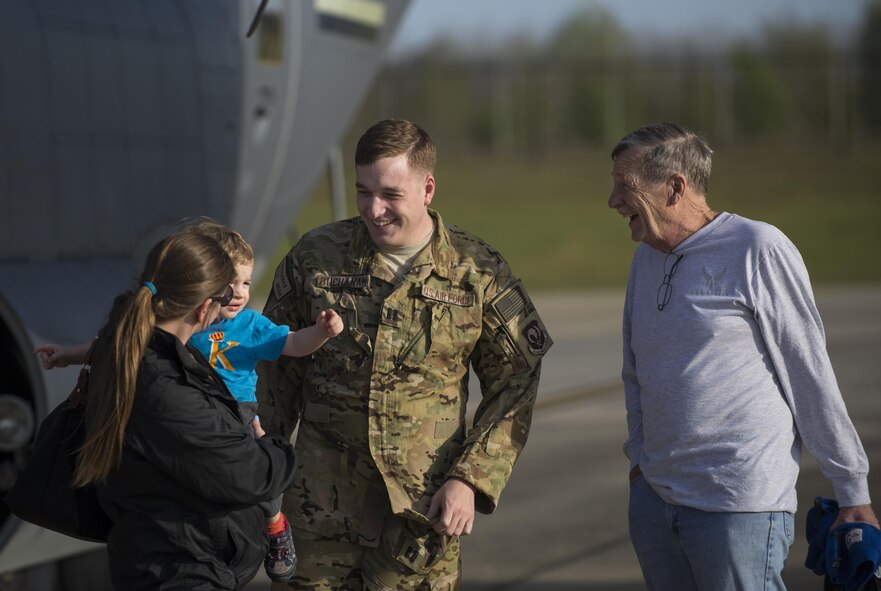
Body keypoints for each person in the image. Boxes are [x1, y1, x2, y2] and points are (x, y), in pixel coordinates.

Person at [257, 118, 553, 590]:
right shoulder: (316, 257)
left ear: (427, 187)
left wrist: (471, 480)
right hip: (318, 516)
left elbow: (517, 379)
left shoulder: (476, 271)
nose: (374, 210)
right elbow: (273, 370)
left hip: (419, 523)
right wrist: (260, 476)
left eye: (390, 194)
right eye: (363, 192)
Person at [607, 121, 880, 590]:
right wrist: (640, 463)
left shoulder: (758, 249)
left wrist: (851, 488)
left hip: (736, 509)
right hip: (655, 503)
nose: (613, 202)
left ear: (675, 187)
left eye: (624, 187)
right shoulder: (645, 258)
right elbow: (635, 371)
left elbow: (809, 373)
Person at [36, 220, 345, 583]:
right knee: (254, 482)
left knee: (261, 496)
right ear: (204, 305)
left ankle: (275, 524)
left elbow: (292, 343)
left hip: (234, 417)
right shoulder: (168, 382)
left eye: (246, 283)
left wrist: (321, 334)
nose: (239, 294)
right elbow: (255, 474)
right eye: (229, 286)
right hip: (187, 561)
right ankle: (270, 523)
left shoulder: (150, 343)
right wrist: (274, 450)